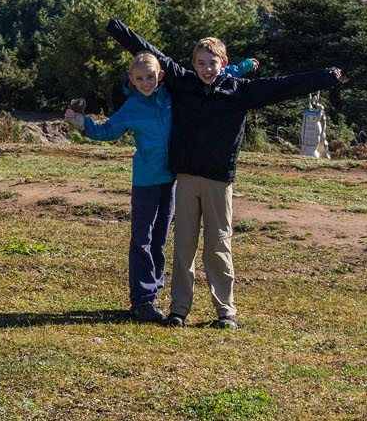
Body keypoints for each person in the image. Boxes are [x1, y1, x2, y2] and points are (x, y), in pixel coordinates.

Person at [104, 17, 342, 329]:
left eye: (211, 63)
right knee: (184, 245)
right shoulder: (183, 82)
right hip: (186, 178)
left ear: (224, 63)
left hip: (218, 180)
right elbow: (148, 50)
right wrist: (115, 28)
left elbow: (283, 86)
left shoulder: (240, 90)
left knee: (218, 245)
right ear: (192, 64)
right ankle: (178, 310)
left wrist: (324, 77)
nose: (205, 68)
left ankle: (225, 312)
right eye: (200, 63)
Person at [65, 53, 174, 323]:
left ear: (160, 76)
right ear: (132, 81)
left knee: (159, 240)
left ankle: (154, 294)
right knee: (142, 240)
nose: (146, 82)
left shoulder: (171, 98)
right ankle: (142, 300)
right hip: (146, 182)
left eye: (150, 76)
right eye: (140, 79)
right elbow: (108, 131)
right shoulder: (132, 107)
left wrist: (239, 69)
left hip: (170, 181)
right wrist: (81, 123)